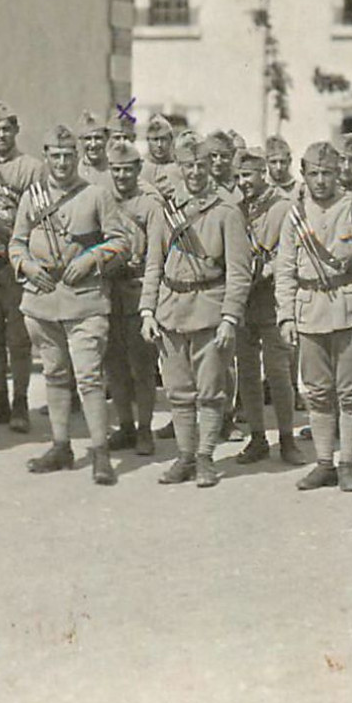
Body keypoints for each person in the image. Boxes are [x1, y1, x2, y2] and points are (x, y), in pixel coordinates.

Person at [11, 125, 130, 484]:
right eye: (55, 156)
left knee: (90, 378)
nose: (62, 163)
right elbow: (15, 243)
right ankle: (61, 446)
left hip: (85, 303)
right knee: (54, 375)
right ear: (46, 157)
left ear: (76, 157)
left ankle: (100, 453)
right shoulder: (31, 198)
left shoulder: (96, 195)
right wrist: (28, 266)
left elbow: (120, 241)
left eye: (67, 156)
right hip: (43, 301)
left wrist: (91, 259)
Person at [275, 140, 352, 493]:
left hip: (350, 312)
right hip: (309, 311)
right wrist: (286, 316)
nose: (322, 181)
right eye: (315, 174)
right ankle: (324, 463)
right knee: (318, 393)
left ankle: (347, 465)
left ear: (338, 172)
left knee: (350, 393)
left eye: (327, 173)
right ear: (304, 175)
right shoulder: (294, 216)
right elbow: (284, 271)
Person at [139, 132, 252, 488]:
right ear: (179, 168)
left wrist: (230, 318)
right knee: (178, 391)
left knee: (210, 391)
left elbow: (239, 271)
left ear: (211, 168)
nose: (196, 172)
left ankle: (205, 457)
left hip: (209, 308)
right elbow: (153, 264)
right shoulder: (166, 210)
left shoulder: (226, 211)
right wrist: (147, 311)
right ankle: (184, 457)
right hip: (171, 308)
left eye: (202, 165)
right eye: (188, 166)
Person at [0, 100, 43, 431]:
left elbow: (40, 216)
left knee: (19, 338)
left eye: (7, 129)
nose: (2, 135)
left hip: (17, 263)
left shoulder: (31, 167)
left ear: (16, 130)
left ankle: (20, 403)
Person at [233, 149, 303, 465]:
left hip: (274, 300)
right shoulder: (236, 210)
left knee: (278, 373)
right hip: (244, 302)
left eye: (247, 175)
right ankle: (257, 438)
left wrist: (267, 270)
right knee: (247, 373)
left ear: (263, 173)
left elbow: (294, 252)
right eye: (238, 177)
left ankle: (287, 439)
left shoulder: (284, 208)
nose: (242, 182)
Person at [100, 139, 164, 458]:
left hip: (138, 291)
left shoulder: (150, 205)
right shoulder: (101, 199)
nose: (122, 176)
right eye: (116, 170)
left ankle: (144, 428)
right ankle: (124, 425)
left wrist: (149, 305)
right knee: (115, 365)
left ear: (139, 169)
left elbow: (155, 260)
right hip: (108, 291)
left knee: (142, 367)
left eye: (127, 169)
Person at [142, 113, 180, 195]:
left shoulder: (179, 167)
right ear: (148, 140)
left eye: (163, 139)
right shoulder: (139, 168)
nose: (159, 145)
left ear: (171, 139)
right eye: (155, 140)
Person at [203, 130, 243, 207]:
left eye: (224, 156)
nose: (218, 162)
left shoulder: (240, 185)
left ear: (232, 157)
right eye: (214, 155)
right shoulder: (200, 186)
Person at [78, 110, 112, 187]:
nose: (93, 144)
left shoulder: (116, 170)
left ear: (106, 139)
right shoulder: (74, 171)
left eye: (98, 138)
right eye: (88, 138)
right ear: (80, 141)